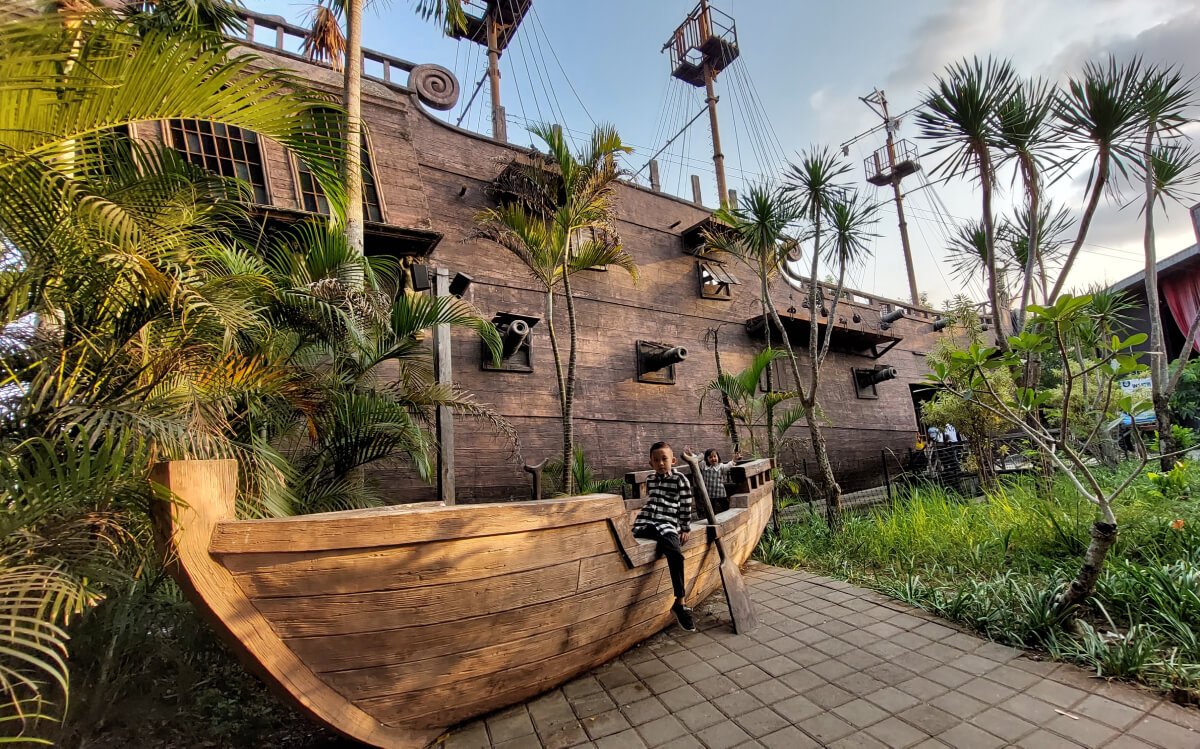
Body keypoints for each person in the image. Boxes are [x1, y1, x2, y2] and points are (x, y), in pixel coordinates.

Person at [632, 441, 696, 632]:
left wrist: (685, 528)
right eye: (656, 460)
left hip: (667, 523)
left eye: (664, 459)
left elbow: (686, 504)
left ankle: (680, 601)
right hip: (647, 522)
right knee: (628, 541)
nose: (660, 463)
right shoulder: (651, 479)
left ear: (673, 460)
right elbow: (650, 502)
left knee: (675, 553)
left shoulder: (680, 480)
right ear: (651, 463)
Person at [697, 448, 739, 514]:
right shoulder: (703, 465)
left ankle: (728, 516)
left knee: (725, 506)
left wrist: (734, 459)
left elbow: (728, 466)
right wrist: (690, 454)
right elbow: (696, 460)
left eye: (714, 456)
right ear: (706, 459)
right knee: (710, 508)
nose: (713, 458)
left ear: (718, 457)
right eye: (710, 457)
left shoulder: (720, 466)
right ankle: (712, 519)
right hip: (708, 493)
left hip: (720, 491)